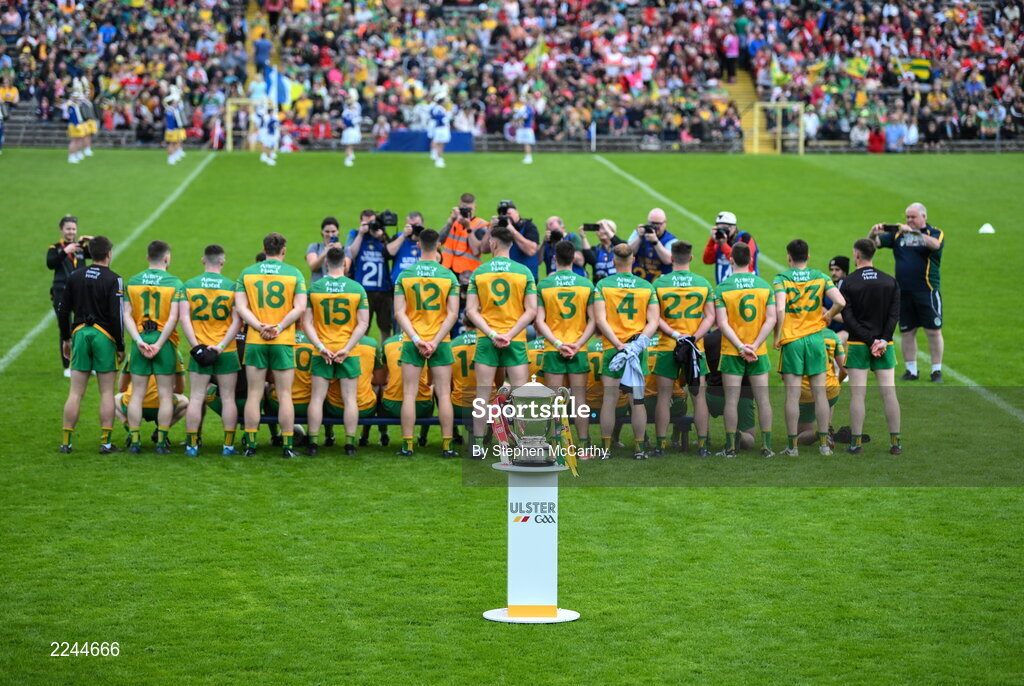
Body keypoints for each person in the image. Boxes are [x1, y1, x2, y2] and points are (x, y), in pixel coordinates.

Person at [465, 225, 538, 454]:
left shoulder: (479, 272)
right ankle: (523, 444)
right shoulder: (524, 272)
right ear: (512, 244)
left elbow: (470, 311)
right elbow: (531, 310)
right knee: (520, 394)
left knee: (482, 394)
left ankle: (477, 446)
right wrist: (509, 334)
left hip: (488, 339)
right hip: (514, 339)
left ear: (493, 244)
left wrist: (493, 334)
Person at [234, 232, 308, 457]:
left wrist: (259, 326)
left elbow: (241, 307)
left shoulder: (247, 273)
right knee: (285, 394)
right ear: (283, 250)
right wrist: (279, 327)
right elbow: (300, 308)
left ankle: (251, 445)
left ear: (264, 249)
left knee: (254, 394)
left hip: (256, 340)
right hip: (282, 340)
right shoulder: (294, 274)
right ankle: (287, 446)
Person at [772, 239, 845, 457]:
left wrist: (778, 336)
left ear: (789, 257)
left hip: (793, 341)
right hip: (815, 340)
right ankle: (824, 445)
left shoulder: (781, 279)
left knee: (792, 396)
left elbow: (780, 309)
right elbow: (840, 302)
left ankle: (792, 447)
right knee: (820, 394)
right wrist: (828, 315)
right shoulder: (821, 277)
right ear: (808, 256)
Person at [393, 228, 460, 457]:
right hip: (440, 341)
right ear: (438, 245)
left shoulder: (405, 275)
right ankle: (447, 445)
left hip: (413, 340)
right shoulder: (448, 276)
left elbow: (399, 313)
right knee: (443, 394)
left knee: (409, 394)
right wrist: (434, 341)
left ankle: (408, 445)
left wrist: (417, 339)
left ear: (418, 246)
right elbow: (452, 314)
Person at [57, 235, 124, 454]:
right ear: (109, 254)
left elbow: (63, 310)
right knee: (106, 392)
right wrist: (121, 345)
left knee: (75, 392)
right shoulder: (114, 279)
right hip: (103, 335)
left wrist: (66, 338)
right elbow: (117, 316)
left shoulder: (75, 276)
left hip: (79, 333)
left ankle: (66, 443)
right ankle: (105, 442)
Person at [300, 246, 370, 456]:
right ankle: (349, 444)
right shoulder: (357, 288)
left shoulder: (315, 288)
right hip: (347, 351)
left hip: (322, 350)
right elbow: (363, 323)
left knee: (317, 398)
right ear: (345, 264)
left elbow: (307, 324)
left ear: (326, 263)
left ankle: (312, 443)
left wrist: (320, 348)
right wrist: (347, 349)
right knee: (350, 400)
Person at [594, 243, 660, 459]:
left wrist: (617, 343)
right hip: (636, 351)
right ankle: (640, 449)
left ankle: (605, 449)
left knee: (610, 400)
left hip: (613, 349)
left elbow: (600, 320)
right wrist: (637, 343)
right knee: (637, 401)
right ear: (633, 261)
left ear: (614, 261)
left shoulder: (603, 285)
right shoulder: (646, 286)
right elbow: (654, 321)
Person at [713, 242, 777, 458]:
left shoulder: (722, 288)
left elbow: (722, 323)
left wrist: (741, 346)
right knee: (764, 400)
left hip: (733, 351)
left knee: (731, 400)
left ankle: (731, 448)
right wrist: (755, 345)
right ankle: (767, 447)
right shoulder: (764, 286)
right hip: (758, 352)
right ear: (751, 260)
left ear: (731, 260)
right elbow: (771, 319)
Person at [652, 241, 716, 456]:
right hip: (695, 348)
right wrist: (693, 337)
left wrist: (675, 335)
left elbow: (655, 318)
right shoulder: (703, 283)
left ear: (671, 258)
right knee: (698, 396)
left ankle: (660, 446)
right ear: (690, 258)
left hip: (667, 345)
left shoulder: (659, 283)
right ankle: (702, 446)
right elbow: (710, 317)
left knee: (663, 396)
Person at [869, 203, 945, 382]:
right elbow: (872, 246)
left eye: (913, 217)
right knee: (907, 332)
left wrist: (912, 232)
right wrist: (872, 232)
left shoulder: (934, 233)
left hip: (927, 290)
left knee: (933, 331)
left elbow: (935, 245)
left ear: (923, 217)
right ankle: (911, 370)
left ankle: (936, 370)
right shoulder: (897, 235)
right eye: (907, 217)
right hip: (903, 292)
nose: (909, 220)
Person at [122, 240, 185, 455]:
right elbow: (174, 318)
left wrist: (139, 340)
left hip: (140, 339)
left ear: (148, 257)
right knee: (166, 394)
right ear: (167, 258)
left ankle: (136, 440)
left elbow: (126, 315)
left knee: (137, 393)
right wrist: (158, 344)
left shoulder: (133, 281)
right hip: (164, 342)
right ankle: (161, 442)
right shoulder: (175, 283)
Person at [840, 239, 902, 455]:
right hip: (886, 345)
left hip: (858, 344)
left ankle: (856, 444)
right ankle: (895, 443)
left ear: (856, 255)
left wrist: (868, 340)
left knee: (858, 395)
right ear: (872, 254)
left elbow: (848, 317)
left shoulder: (848, 282)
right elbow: (894, 315)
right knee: (889, 392)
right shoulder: (889, 281)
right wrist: (882, 340)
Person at [180, 245, 243, 456]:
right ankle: (228, 446)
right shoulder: (232, 287)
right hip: (225, 350)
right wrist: (221, 346)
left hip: (200, 351)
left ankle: (191, 446)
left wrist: (196, 346)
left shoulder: (189, 286)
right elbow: (237, 322)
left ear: (202, 260)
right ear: (222, 262)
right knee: (228, 398)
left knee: (196, 397)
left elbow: (184, 319)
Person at [535, 240, 597, 449]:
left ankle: (555, 446)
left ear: (554, 259)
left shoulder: (544, 285)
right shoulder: (586, 285)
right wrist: (578, 344)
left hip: (554, 349)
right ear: (574, 259)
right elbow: (594, 321)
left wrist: (558, 343)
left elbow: (539, 321)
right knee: (580, 399)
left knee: (553, 400)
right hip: (578, 349)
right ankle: (585, 445)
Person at [48, 215, 93, 375]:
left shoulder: (81, 248)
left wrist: (92, 241)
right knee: (65, 326)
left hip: (80, 291)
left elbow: (100, 253)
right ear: (62, 230)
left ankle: (88, 364)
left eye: (73, 229)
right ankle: (67, 365)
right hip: (61, 290)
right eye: (68, 229)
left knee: (85, 326)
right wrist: (65, 252)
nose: (71, 231)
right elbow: (50, 264)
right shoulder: (55, 247)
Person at [345, 209, 393, 336]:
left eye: (372, 222)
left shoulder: (381, 235)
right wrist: (361, 234)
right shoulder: (355, 234)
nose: (370, 225)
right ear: (360, 222)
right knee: (362, 327)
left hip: (383, 289)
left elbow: (391, 253)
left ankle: (385, 354)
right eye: (366, 223)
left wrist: (381, 237)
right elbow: (351, 253)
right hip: (362, 290)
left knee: (386, 327)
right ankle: (364, 354)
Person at [796, 328, 846, 446]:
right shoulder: (832, 334)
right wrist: (837, 381)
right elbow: (845, 369)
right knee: (829, 392)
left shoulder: (796, 334)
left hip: (806, 392)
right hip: (830, 389)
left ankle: (820, 433)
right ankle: (827, 427)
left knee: (799, 438)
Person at [480, 201, 540, 280]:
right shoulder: (499, 228)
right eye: (503, 214)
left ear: (517, 212)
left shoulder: (528, 226)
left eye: (508, 213)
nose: (506, 216)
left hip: (527, 277)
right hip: (505, 276)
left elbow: (531, 251)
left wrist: (512, 230)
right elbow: (484, 249)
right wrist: (491, 227)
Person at [703, 211, 759, 284]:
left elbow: (741, 261)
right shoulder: (719, 240)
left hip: (745, 286)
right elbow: (707, 260)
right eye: (719, 227)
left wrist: (723, 245)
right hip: (724, 288)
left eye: (725, 228)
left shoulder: (745, 238)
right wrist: (712, 240)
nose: (722, 231)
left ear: (734, 227)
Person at [439, 193, 488, 275]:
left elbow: (476, 251)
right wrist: (450, 221)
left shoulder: (480, 225)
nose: (467, 212)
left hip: (467, 274)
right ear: (458, 207)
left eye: (470, 209)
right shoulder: (454, 221)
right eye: (464, 209)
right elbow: (438, 241)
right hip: (446, 270)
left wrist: (468, 228)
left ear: (475, 206)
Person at [627, 208, 676, 282]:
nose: (655, 227)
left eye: (658, 224)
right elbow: (627, 253)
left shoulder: (671, 240)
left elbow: (669, 260)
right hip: (637, 284)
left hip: (660, 286)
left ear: (665, 223)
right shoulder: (638, 233)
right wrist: (639, 237)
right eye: (652, 223)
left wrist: (655, 242)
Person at [386, 212, 429, 286]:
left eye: (417, 225)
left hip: (422, 288)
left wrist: (422, 240)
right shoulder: (399, 236)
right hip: (399, 287)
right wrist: (403, 236)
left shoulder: (429, 239)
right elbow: (387, 254)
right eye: (411, 226)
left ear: (423, 224)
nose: (415, 228)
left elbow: (438, 259)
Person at [306, 216, 340, 283]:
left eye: (333, 231)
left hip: (337, 289)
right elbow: (313, 267)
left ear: (338, 232)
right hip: (318, 290)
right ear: (322, 232)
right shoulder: (314, 247)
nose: (330, 235)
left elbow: (346, 270)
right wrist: (326, 252)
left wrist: (339, 251)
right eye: (327, 231)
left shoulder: (344, 249)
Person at [825, 256, 850, 345]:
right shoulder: (827, 289)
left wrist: (828, 313)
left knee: (832, 343)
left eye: (837, 270)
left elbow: (848, 319)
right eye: (831, 270)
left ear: (844, 271)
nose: (833, 273)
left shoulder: (851, 290)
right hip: (828, 330)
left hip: (847, 331)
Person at [428, 92, 453, 168]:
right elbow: (441, 118)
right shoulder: (438, 109)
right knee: (439, 143)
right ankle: (438, 158)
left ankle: (438, 157)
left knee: (440, 143)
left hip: (440, 128)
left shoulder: (439, 108)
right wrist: (447, 119)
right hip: (440, 128)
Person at [163, 90, 186, 166]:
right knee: (171, 144)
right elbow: (165, 102)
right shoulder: (169, 110)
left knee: (176, 142)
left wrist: (179, 97)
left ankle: (174, 154)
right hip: (171, 130)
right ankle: (170, 157)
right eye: (174, 102)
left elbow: (180, 107)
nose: (176, 104)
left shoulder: (174, 110)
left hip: (175, 129)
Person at [341, 93, 361, 167]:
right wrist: (355, 121)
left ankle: (350, 156)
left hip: (353, 130)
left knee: (351, 144)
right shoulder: (346, 113)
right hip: (349, 130)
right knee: (349, 145)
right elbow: (347, 122)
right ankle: (347, 160)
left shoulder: (353, 112)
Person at [513, 99, 536, 164]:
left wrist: (518, 118)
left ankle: (529, 157)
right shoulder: (521, 107)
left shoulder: (528, 108)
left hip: (526, 128)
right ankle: (527, 156)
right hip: (523, 128)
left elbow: (525, 117)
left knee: (527, 143)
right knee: (524, 143)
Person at [256, 98, 278, 166]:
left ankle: (266, 156)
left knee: (268, 145)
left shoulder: (265, 117)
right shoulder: (269, 118)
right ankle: (268, 158)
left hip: (267, 132)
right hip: (268, 133)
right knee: (268, 145)